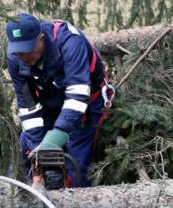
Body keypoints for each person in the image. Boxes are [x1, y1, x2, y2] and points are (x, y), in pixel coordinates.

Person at [6, 13, 113, 187]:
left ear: (41, 38)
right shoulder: (15, 58)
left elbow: (78, 96)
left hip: (85, 105)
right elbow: (27, 106)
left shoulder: (70, 42)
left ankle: (75, 204)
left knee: (75, 167)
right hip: (50, 103)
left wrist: (53, 140)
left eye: (28, 50)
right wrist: (37, 149)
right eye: (19, 52)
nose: (24, 57)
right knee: (27, 153)